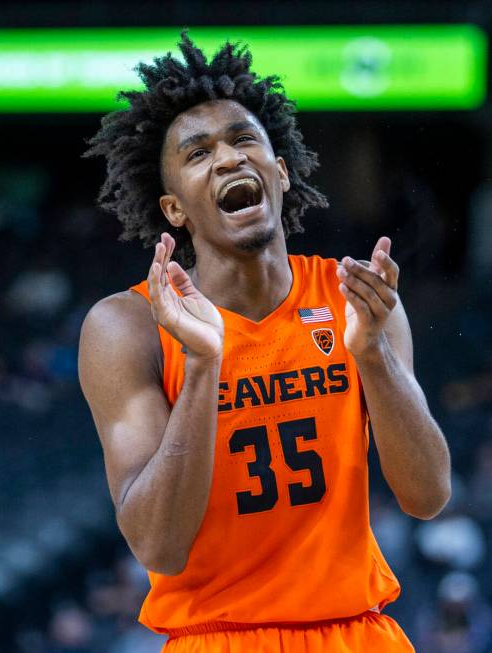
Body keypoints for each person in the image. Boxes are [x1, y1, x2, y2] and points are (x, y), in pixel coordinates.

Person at [79, 33, 451, 652]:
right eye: (198, 153)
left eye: (244, 139)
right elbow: (159, 546)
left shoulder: (354, 296)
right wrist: (202, 364)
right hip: (217, 636)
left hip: (358, 632)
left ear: (279, 171)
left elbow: (428, 496)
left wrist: (372, 357)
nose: (229, 159)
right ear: (174, 209)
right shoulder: (129, 325)